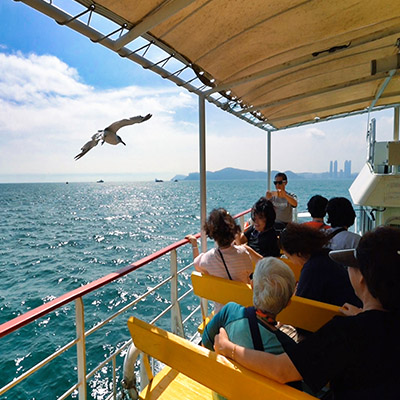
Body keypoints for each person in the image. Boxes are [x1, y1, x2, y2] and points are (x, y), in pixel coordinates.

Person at [214, 226, 400, 400]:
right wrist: (362, 315)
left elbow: (281, 370)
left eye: (351, 265)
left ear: (362, 278)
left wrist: (228, 348)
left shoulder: (346, 332)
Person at [202, 257, 298, 400]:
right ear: (288, 302)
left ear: (252, 285)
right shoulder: (288, 350)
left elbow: (205, 346)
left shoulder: (229, 312)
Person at [186, 208, 253, 313]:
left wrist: (194, 245)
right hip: (243, 312)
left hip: (221, 313)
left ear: (212, 234)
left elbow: (196, 264)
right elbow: (250, 271)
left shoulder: (208, 259)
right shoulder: (243, 253)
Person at [280, 223, 361, 307]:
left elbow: (301, 306)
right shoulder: (324, 255)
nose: (292, 262)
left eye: (289, 257)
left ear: (298, 253)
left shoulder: (312, 268)